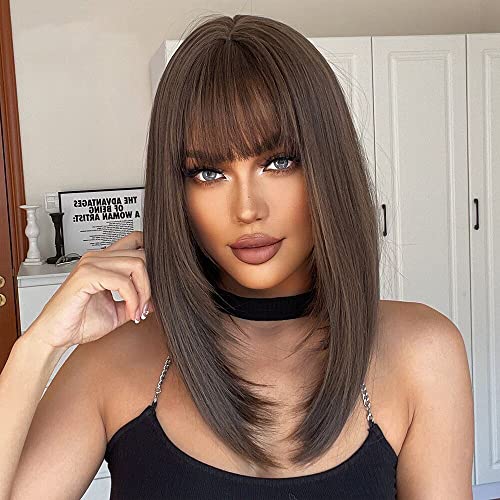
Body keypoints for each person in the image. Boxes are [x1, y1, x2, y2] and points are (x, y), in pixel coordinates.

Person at [1, 13, 473, 500]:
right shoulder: (112, 361)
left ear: (328, 167)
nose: (247, 209)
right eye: (208, 173)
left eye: (279, 162)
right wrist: (37, 346)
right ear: (177, 191)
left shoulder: (422, 354)